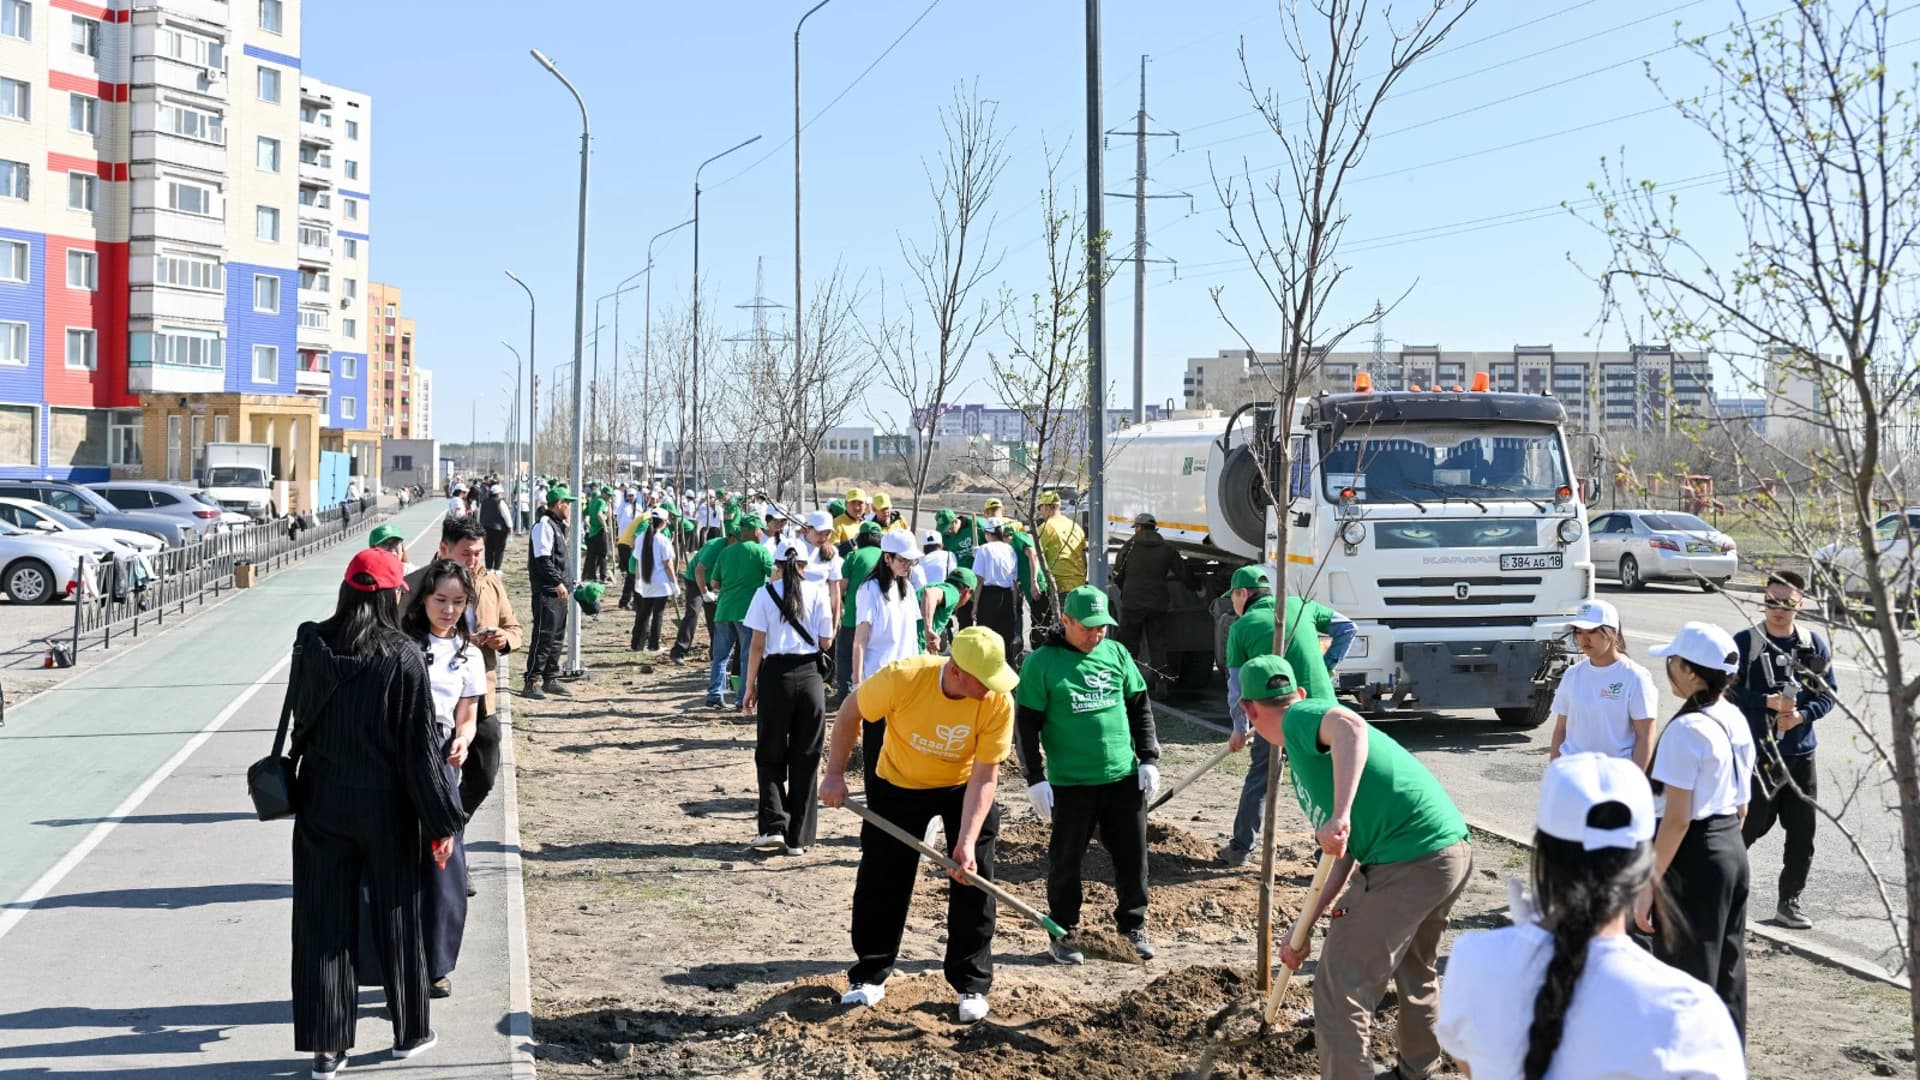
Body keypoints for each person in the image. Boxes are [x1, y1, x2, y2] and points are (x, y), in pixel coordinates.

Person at [1437, 754, 1746, 1080]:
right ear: (1644, 867)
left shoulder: (1474, 960)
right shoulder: (1689, 1012)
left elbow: (1470, 1064)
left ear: (1541, 855)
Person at [1239, 653, 1472, 1080]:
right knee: (1414, 969)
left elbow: (1350, 726)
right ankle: (1417, 1069)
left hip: (1410, 859)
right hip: (1444, 853)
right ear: (1299, 690)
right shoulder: (1307, 743)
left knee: (1339, 987)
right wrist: (1303, 926)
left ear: (1248, 709)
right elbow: (1342, 851)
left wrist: (1340, 813)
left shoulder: (1299, 718)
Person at [288, 548, 465, 1077]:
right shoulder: (402, 655)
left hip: (321, 801)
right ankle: (410, 1029)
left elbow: (303, 718)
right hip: (387, 808)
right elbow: (418, 751)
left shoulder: (311, 642)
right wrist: (442, 822)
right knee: (397, 914)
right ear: (393, 595)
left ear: (347, 591)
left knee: (323, 921)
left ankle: (327, 1046)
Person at [819, 627, 1021, 1025]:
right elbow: (849, 712)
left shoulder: (998, 701)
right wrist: (834, 774)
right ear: (959, 672)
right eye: (986, 679)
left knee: (973, 878)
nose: (994, 688)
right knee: (884, 878)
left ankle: (971, 983)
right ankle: (869, 975)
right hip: (899, 782)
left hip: (963, 786)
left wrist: (964, 842)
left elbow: (985, 776)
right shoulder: (904, 677)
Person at [1015, 586, 1161, 963]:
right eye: (1089, 628)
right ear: (1066, 621)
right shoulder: (1041, 664)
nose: (1097, 635)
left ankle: (1133, 925)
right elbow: (1027, 725)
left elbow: (1139, 706)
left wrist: (1148, 758)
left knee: (1133, 857)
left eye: (1103, 628)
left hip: (1121, 778)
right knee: (1066, 862)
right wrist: (1036, 778)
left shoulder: (1115, 653)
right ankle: (1064, 932)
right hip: (1070, 783)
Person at [1641, 622, 1754, 1037]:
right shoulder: (1733, 716)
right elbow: (1743, 804)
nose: (1668, 667)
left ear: (1689, 670)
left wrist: (1648, 885)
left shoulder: (1688, 729)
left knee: (1686, 978)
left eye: (1672, 660)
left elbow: (1677, 819)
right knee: (1726, 972)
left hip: (1693, 855)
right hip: (1729, 849)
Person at [1218, 565, 1354, 867]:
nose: (1234, 605)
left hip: (1276, 715)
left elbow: (1236, 687)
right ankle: (1329, 857)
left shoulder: (1241, 628)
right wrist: (1326, 665)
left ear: (1244, 593)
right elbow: (1347, 628)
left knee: (1262, 777)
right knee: (1324, 779)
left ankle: (1241, 849)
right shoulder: (1301, 605)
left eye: (1234, 598)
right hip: (1323, 709)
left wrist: (1239, 728)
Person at [399, 559, 487, 1000]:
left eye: (457, 602)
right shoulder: (403, 645)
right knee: (399, 861)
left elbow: (467, 714)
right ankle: (399, 958)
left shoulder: (469, 655)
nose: (448, 610)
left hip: (442, 761)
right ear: (424, 600)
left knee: (444, 861)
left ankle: (437, 964)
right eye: (440, 600)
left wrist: (464, 741)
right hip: (400, 758)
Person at [1729, 570, 1834, 932]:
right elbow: (1726, 692)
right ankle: (1720, 892)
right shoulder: (1745, 643)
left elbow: (1826, 694)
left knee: (1803, 833)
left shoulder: (1812, 645)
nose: (1778, 610)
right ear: (1763, 600)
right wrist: (1765, 702)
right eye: (1772, 601)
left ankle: (1789, 902)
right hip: (1758, 756)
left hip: (1801, 755)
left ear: (1800, 604)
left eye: (1787, 603)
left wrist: (1802, 715)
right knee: (1748, 827)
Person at [406, 515, 522, 818]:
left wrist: (502, 639)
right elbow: (397, 634)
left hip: (480, 692)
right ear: (445, 548)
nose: (473, 561)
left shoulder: (490, 582)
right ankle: (433, 831)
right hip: (432, 695)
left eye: (478, 553)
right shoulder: (416, 585)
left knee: (483, 774)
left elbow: (514, 628)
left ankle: (452, 823)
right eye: (466, 554)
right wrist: (448, 640)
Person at [741, 541, 836, 855]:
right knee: (806, 756)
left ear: (777, 565)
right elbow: (825, 640)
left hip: (775, 676)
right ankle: (799, 838)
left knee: (769, 754)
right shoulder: (818, 592)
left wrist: (749, 686)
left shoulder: (763, 594)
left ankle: (774, 826)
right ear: (804, 566)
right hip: (810, 677)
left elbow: (756, 644)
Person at [1548, 599, 1659, 772]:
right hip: (1572, 777)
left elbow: (1645, 737)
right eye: (1579, 632)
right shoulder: (1572, 674)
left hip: (1614, 779)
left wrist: (1636, 784)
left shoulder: (1635, 677)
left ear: (1612, 632)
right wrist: (1553, 774)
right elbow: (1560, 730)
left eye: (1592, 631)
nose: (1584, 639)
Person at [851, 531, 927, 779]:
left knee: (903, 741)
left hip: (907, 678)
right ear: (887, 558)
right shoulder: (869, 589)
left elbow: (913, 637)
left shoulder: (905, 586)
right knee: (876, 743)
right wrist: (857, 682)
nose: (908, 566)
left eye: (911, 561)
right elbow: (860, 639)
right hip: (878, 678)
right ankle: (874, 791)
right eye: (903, 560)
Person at [1110, 513, 1190, 686]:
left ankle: (1125, 680)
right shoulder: (1167, 548)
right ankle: (1161, 682)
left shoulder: (1129, 547)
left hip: (1133, 602)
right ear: (1154, 528)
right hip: (1158, 603)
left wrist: (1126, 589)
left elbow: (1118, 574)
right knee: (1158, 643)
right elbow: (1182, 573)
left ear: (1138, 527)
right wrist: (1197, 587)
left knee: (1129, 643)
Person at [707, 515, 773, 708]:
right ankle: (742, 698)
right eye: (760, 530)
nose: (762, 533)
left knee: (720, 656)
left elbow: (714, 582)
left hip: (724, 610)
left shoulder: (726, 552)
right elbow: (774, 576)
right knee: (746, 656)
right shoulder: (761, 552)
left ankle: (714, 694)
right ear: (754, 531)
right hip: (748, 613)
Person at [522, 486, 575, 701]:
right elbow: (542, 560)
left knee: (556, 637)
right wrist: (557, 582)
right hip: (547, 592)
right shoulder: (544, 525)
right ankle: (532, 680)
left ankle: (550, 677)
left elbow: (559, 560)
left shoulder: (558, 526)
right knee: (544, 636)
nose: (570, 508)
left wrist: (569, 582)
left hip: (560, 593)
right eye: (567, 503)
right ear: (559, 504)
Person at [833, 522, 886, 703]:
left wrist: (839, 604)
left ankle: (845, 692)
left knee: (846, 654)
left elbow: (842, 586)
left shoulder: (853, 556)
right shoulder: (886, 557)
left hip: (853, 616)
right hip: (880, 618)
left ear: (861, 538)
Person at [671, 523, 729, 665]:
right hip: (694, 580)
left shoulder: (736, 550)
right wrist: (704, 592)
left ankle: (716, 652)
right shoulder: (715, 547)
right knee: (693, 611)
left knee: (715, 617)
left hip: (713, 582)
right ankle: (679, 651)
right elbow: (699, 570)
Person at [971, 519, 1023, 665]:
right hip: (1006, 596)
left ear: (988, 533)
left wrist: (975, 606)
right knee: (1004, 638)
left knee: (986, 638)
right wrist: (1013, 606)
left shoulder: (984, 549)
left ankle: (986, 669)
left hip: (988, 597)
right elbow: (1014, 582)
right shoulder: (1010, 549)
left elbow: (979, 580)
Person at [629, 508, 677, 653]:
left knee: (643, 614)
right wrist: (674, 583)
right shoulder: (663, 540)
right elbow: (668, 564)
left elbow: (638, 561)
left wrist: (638, 580)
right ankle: (654, 645)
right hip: (661, 583)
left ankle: (636, 645)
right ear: (663, 523)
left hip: (646, 582)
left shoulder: (640, 538)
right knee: (658, 615)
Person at [1034, 489, 1088, 608]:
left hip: (1060, 586)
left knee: (1063, 624)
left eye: (1040, 508)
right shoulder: (1075, 526)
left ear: (1047, 507)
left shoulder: (1045, 528)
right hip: (1079, 585)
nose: (1040, 512)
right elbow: (1084, 558)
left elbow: (1036, 557)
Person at [919, 567, 976, 654]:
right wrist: (928, 628)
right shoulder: (954, 592)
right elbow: (930, 593)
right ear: (967, 592)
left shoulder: (935, 585)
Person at [614, 491, 644, 611]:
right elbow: (634, 536)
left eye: (632, 496)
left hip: (629, 543)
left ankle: (629, 601)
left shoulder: (640, 510)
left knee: (632, 575)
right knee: (632, 574)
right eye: (629, 496)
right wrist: (634, 549)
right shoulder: (645, 520)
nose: (630, 498)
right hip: (627, 544)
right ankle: (627, 601)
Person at [478, 485, 512, 573]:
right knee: (499, 549)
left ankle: (488, 568)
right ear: (498, 493)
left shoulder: (483, 502)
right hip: (499, 530)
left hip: (486, 528)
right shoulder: (500, 502)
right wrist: (510, 527)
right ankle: (497, 568)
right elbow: (506, 516)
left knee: (488, 549)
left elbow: (480, 516)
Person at [582, 485, 612, 582]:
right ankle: (603, 577)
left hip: (592, 532)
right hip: (600, 530)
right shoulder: (601, 501)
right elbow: (599, 514)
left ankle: (591, 576)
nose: (609, 497)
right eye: (608, 495)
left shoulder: (592, 501)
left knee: (592, 555)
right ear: (603, 493)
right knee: (603, 554)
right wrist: (605, 527)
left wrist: (589, 524)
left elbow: (585, 513)